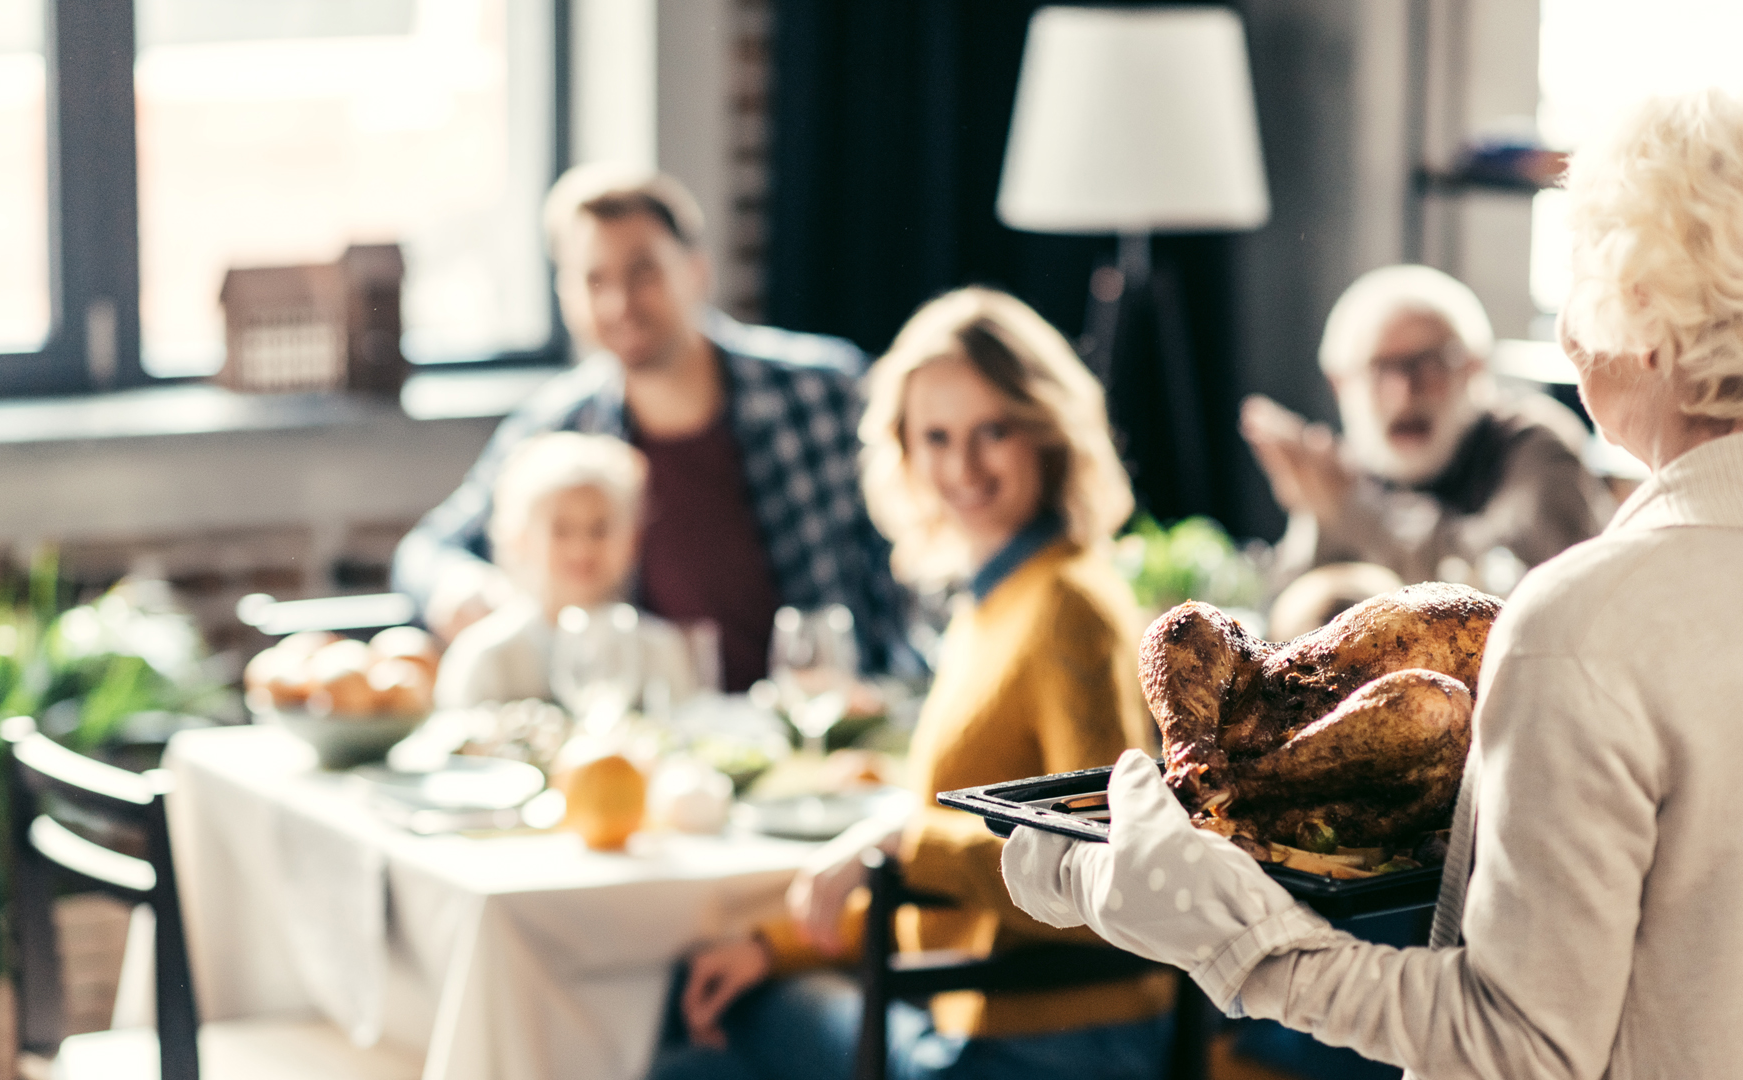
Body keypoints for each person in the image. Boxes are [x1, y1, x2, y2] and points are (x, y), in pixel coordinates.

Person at [1001, 68, 1743, 1079]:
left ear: (1644, 312)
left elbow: (1517, 1045)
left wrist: (1229, 936)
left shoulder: (1584, 623)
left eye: (1583, 264)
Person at [653, 288, 1170, 1080]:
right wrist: (775, 947)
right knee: (713, 1002)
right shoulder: (995, 601)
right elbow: (955, 874)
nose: (962, 467)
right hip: (981, 1012)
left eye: (992, 431)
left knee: (698, 1036)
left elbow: (1106, 877)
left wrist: (900, 840)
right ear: (905, 451)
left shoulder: (1069, 606)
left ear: (1045, 432)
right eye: (936, 437)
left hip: (1062, 1042)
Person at [393, 164, 904, 689]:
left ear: (697, 270)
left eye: (643, 273)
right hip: (655, 735)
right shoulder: (560, 428)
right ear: (567, 296)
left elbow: (923, 549)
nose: (620, 304)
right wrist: (458, 587)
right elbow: (429, 550)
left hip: (830, 721)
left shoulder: (823, 392)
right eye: (594, 280)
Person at [1242, 264, 1615, 589]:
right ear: (1341, 385)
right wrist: (1319, 508)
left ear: (1475, 368)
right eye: (1380, 369)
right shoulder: (1353, 468)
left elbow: (1501, 583)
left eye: (1430, 364)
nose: (1405, 394)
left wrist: (1355, 511)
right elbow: (1297, 605)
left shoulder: (1538, 446)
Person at [432, 431, 692, 708]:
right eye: (561, 530)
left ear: (631, 540)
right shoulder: (486, 655)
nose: (581, 548)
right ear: (520, 539)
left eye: (599, 529)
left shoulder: (660, 650)